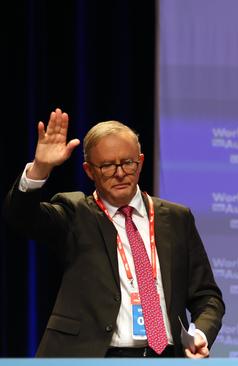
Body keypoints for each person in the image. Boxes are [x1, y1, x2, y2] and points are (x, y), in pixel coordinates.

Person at [3, 109, 225, 357]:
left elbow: (206, 296)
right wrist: (40, 169)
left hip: (164, 355)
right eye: (108, 166)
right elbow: (20, 217)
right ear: (89, 171)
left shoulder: (176, 218)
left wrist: (200, 334)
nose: (120, 173)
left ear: (140, 162)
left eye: (127, 163)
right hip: (95, 355)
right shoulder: (75, 213)